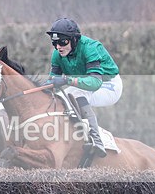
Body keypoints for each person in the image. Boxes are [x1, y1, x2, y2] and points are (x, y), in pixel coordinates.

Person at [45, 17, 122, 157]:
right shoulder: (57, 54)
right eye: (54, 43)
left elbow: (94, 83)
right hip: (85, 84)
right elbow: (52, 82)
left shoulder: (90, 48)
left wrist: (66, 79)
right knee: (60, 96)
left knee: (75, 92)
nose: (58, 47)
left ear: (74, 40)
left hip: (108, 85)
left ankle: (96, 139)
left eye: (62, 42)